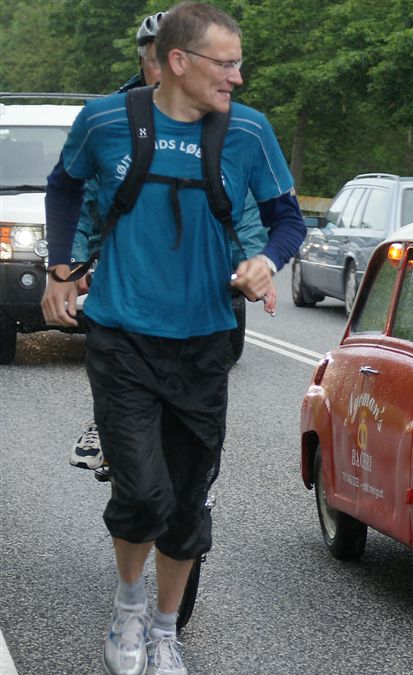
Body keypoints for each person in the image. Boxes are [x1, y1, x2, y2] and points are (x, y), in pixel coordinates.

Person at [41, 1, 305, 675]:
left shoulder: (248, 133)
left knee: (188, 504)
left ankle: (165, 631)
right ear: (178, 62)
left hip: (205, 343)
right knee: (145, 491)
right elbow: (64, 186)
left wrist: (266, 263)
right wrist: (61, 269)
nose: (239, 78)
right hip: (123, 335)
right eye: (227, 63)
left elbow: (286, 218)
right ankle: (128, 609)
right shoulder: (104, 121)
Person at [67, 9, 276, 473]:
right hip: (125, 262)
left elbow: (232, 200)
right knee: (118, 355)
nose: (159, 71)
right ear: (147, 63)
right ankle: (108, 426)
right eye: (150, 62)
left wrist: (258, 259)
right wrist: (73, 262)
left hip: (198, 288)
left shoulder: (222, 120)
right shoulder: (113, 116)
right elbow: (85, 197)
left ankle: (192, 481)